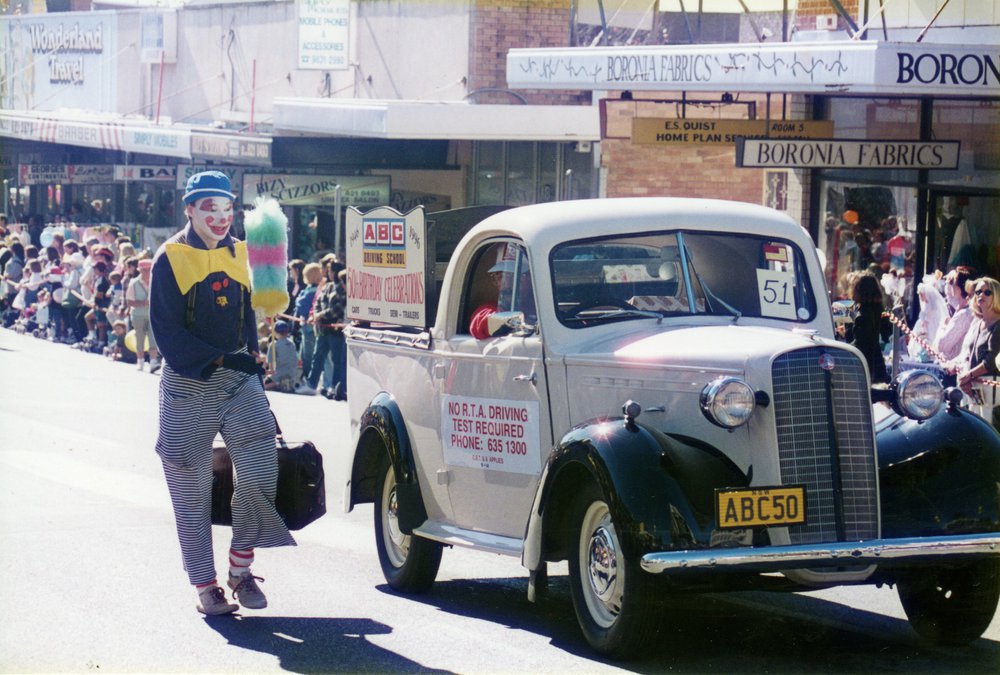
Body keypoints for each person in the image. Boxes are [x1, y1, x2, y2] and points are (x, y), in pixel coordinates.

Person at [149, 170, 295, 616]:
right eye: (209, 208)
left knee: (260, 472)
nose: (220, 216)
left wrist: (254, 350)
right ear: (189, 209)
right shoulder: (170, 257)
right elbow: (166, 333)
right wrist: (219, 360)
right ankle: (205, 585)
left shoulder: (245, 251)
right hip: (188, 383)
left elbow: (247, 311)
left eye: (227, 208)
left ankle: (240, 569)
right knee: (190, 488)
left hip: (238, 380)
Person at [295, 257, 347, 398]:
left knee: (336, 360)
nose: (328, 273)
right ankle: (311, 384)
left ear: (334, 272)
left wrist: (320, 315)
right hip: (323, 329)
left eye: (330, 271)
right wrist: (316, 314)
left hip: (335, 330)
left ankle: (334, 386)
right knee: (317, 357)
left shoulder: (341, 288)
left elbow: (337, 309)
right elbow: (317, 302)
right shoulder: (327, 286)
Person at [952, 277, 1000, 400]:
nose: (981, 295)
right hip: (972, 389)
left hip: (992, 391)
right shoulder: (976, 323)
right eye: (978, 292)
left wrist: (969, 375)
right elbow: (967, 354)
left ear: (996, 296)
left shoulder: (998, 325)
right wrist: (965, 376)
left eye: (987, 292)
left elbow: (992, 360)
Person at [845, 271, 890, 384]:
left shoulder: (862, 313)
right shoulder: (877, 308)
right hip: (876, 360)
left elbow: (860, 342)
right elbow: (885, 332)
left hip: (863, 363)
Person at [933, 267, 974, 362]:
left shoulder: (964, 314)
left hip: (953, 366)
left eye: (953, 282)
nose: (950, 285)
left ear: (958, 289)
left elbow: (941, 346)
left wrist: (944, 326)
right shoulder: (964, 311)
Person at [126, 259, 159, 372]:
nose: (147, 272)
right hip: (138, 315)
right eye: (145, 270)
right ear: (140, 270)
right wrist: (143, 303)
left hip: (152, 314)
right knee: (139, 337)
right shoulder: (134, 283)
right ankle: (140, 361)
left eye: (149, 270)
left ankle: (153, 361)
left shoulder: (156, 281)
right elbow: (129, 301)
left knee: (153, 337)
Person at [264, 321, 298, 393]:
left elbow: (270, 364)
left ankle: (278, 384)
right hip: (293, 373)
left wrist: (269, 375)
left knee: (263, 385)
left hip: (280, 373)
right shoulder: (292, 343)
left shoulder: (273, 345)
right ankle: (287, 383)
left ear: (275, 332)